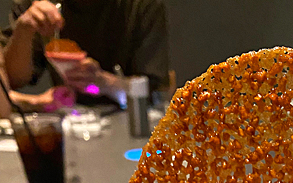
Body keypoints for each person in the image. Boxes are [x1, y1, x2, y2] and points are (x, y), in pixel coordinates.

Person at [1, 0, 169, 110]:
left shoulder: (142, 6)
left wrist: (104, 82)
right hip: (68, 121)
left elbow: (152, 92)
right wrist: (24, 30)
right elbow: (11, 80)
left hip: (131, 124)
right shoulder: (37, 4)